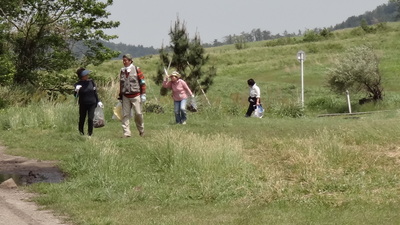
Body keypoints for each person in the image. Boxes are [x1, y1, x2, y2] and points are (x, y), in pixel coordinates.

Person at [118, 54, 146, 137]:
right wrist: (120, 95)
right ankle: (127, 133)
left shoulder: (137, 69)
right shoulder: (122, 71)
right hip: (125, 96)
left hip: (136, 95)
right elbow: (121, 84)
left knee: (138, 113)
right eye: (123, 60)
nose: (124, 62)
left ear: (130, 61)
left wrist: (143, 94)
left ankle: (141, 130)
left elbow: (142, 82)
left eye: (126, 60)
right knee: (125, 115)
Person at [74, 68, 103, 136]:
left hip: (92, 103)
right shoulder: (78, 84)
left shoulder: (91, 82)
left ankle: (90, 133)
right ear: (82, 76)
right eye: (85, 75)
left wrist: (98, 101)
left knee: (90, 118)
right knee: (82, 118)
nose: (87, 75)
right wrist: (76, 90)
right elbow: (75, 96)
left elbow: (95, 92)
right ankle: (81, 132)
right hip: (83, 103)